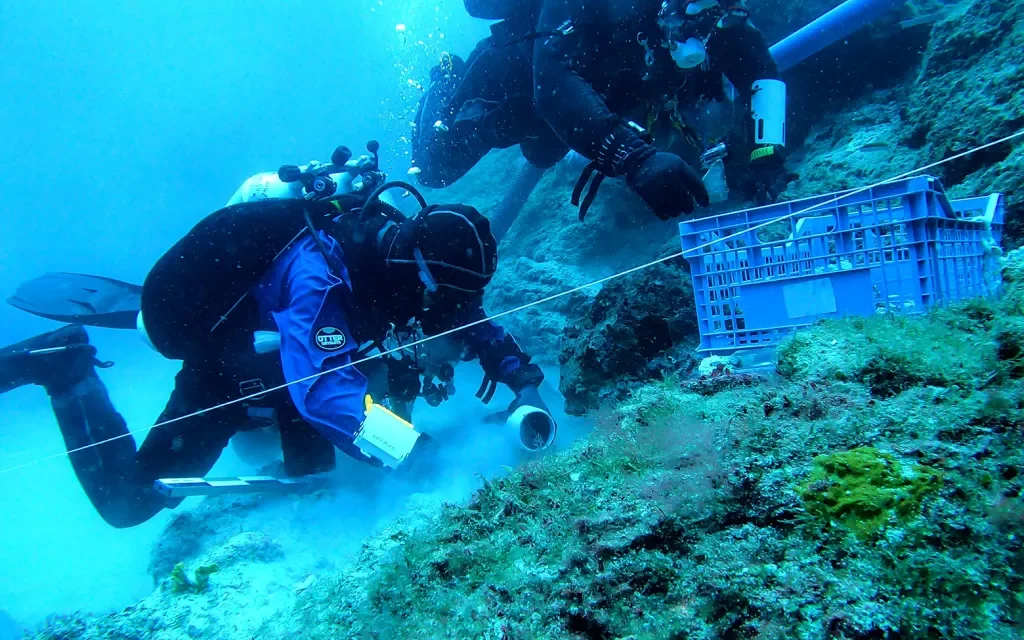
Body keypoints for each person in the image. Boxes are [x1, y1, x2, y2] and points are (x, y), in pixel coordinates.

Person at [0, 142, 552, 529]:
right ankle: (63, 366)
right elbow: (324, 397)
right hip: (224, 356)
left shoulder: (403, 256)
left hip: (281, 344)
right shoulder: (322, 273)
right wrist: (419, 455)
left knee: (317, 456)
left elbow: (465, 316)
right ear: (418, 274)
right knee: (127, 503)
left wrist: (522, 379)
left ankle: (293, 450)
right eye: (444, 300)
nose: (452, 313)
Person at [414, 0, 797, 219]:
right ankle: (446, 78)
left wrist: (767, 153)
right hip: (512, 86)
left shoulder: (716, 14)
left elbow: (759, 69)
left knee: (545, 150)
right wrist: (635, 159)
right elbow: (551, 83)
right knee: (435, 169)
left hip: (587, 105)